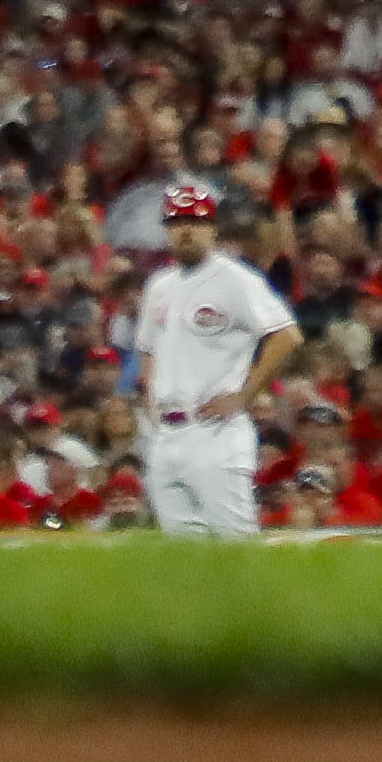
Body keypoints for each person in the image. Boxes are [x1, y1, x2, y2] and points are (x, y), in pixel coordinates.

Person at [128, 181, 296, 539]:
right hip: (167, 435)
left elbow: (286, 336)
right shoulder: (159, 284)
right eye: (176, 223)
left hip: (216, 435)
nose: (186, 231)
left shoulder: (235, 279)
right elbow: (147, 348)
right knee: (185, 557)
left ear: (213, 228)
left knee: (235, 545)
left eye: (195, 222)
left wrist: (243, 396)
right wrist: (151, 400)